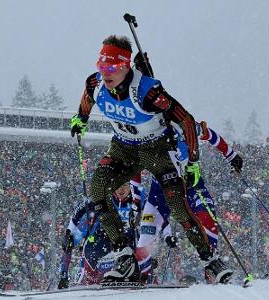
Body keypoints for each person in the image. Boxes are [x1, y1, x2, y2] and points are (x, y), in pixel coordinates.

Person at [70, 35, 226, 283]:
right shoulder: (95, 83)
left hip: (156, 148)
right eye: (101, 66)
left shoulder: (148, 91)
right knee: (98, 187)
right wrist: (80, 120)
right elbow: (87, 99)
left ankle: (211, 260)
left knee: (177, 204)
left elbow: (186, 121)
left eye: (112, 67)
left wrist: (193, 162)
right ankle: (124, 257)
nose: (105, 73)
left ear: (125, 66)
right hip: (123, 147)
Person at [135, 121, 243, 283]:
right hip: (161, 191)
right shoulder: (147, 131)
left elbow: (211, 135)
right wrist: (136, 200)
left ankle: (212, 267)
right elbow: (134, 165)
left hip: (191, 186)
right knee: (146, 234)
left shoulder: (185, 126)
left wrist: (231, 155)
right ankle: (143, 273)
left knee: (206, 218)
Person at [58, 182, 141, 288]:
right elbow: (77, 214)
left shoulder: (136, 202)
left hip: (123, 250)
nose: (121, 189)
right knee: (70, 242)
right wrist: (68, 232)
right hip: (98, 250)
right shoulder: (102, 198)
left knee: (131, 234)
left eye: (125, 185)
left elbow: (149, 227)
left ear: (131, 187)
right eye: (118, 185)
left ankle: (135, 271)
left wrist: (146, 259)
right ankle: (70, 277)